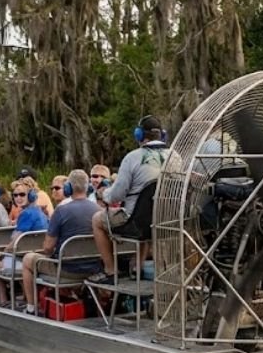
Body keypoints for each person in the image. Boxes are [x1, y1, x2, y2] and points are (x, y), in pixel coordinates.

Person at [87, 115, 176, 285]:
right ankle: (137, 267)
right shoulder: (175, 157)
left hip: (137, 223)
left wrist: (104, 194)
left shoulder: (132, 158)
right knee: (144, 217)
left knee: (97, 220)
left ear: (139, 135)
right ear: (162, 135)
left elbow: (116, 195)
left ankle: (110, 271)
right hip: (166, 221)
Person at [19, 169, 100, 315]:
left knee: (28, 259)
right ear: (87, 187)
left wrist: (49, 251)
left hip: (66, 270)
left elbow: (48, 248)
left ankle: (31, 307)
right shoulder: (99, 210)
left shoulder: (61, 211)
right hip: (94, 268)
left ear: (68, 188)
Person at [0, 180, 50, 306]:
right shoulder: (41, 212)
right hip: (39, 256)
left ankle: (2, 300)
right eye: (15, 195)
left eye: (22, 194)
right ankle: (25, 296)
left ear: (31, 195)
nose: (18, 198)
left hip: (26, 260)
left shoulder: (26, 214)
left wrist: (1, 254)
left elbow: (15, 242)